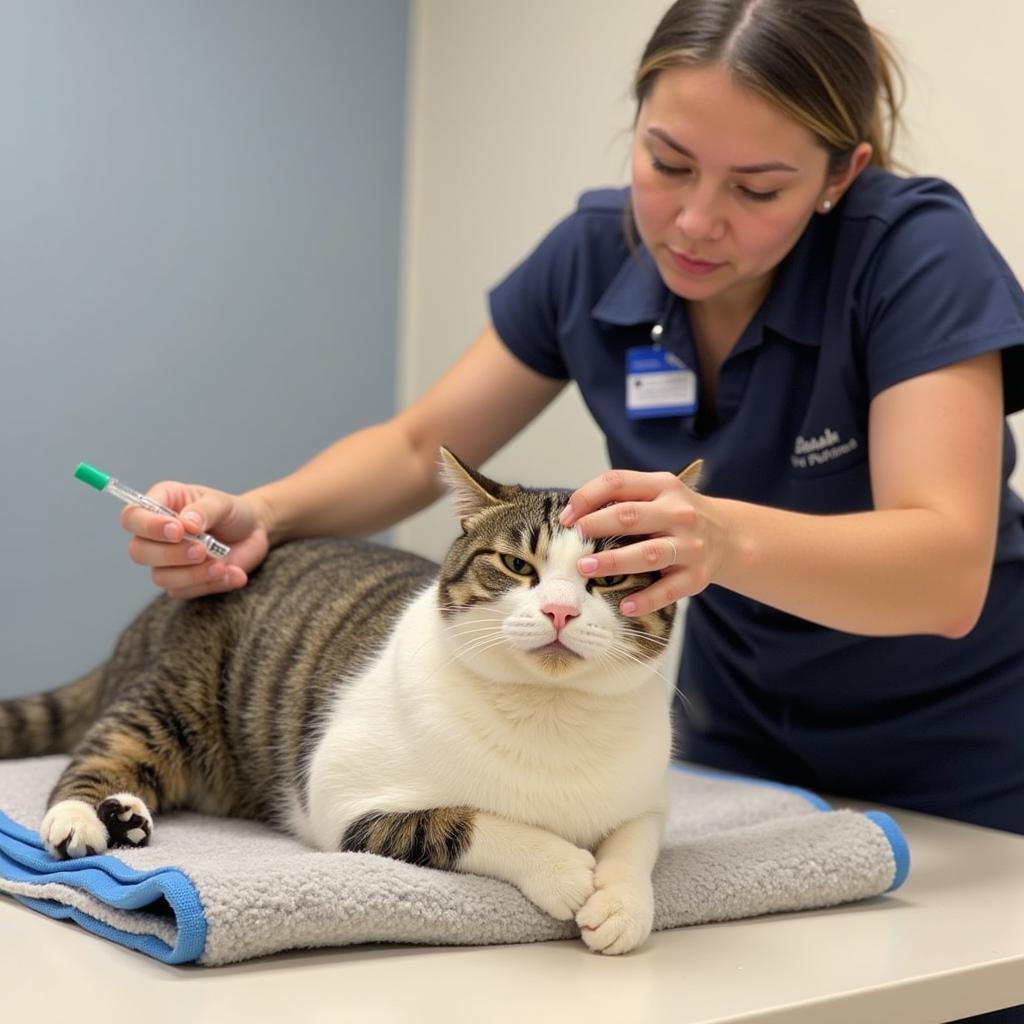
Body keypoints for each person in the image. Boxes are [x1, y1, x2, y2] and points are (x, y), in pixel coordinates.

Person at [123, 0, 1023, 991]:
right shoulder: (595, 252)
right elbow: (422, 442)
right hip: (738, 746)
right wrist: (265, 512)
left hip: (960, 764)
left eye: (756, 187)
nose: (691, 220)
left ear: (840, 176)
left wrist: (718, 538)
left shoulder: (913, 256)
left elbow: (943, 570)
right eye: (666, 161)